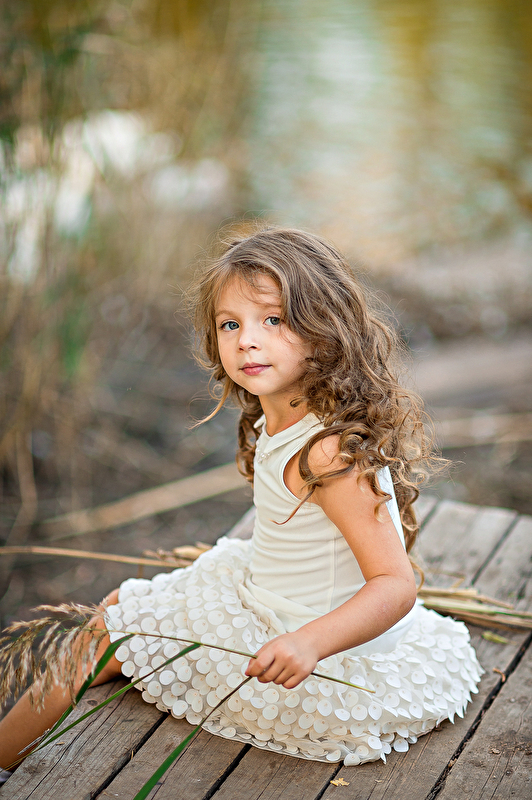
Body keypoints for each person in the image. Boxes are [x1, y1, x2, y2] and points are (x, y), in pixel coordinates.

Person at [0, 226, 482, 776]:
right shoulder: (282, 418)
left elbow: (395, 584)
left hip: (322, 656)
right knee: (114, 607)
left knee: (100, 638)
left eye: (272, 320)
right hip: (277, 598)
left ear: (324, 331)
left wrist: (308, 643)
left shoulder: (329, 453)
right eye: (230, 324)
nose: (247, 340)